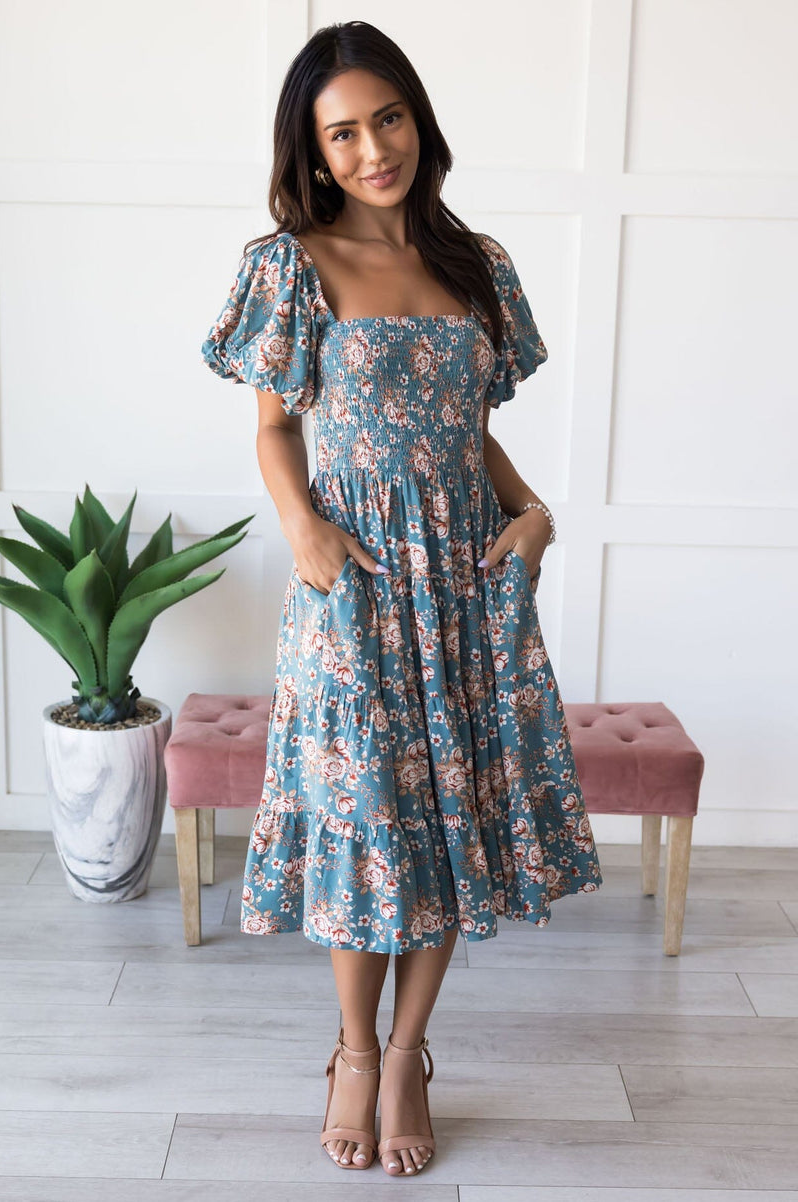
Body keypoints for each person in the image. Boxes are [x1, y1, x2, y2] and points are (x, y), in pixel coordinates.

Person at [201, 19, 603, 1178]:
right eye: (342, 132)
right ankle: (352, 1048)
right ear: (312, 149)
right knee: (369, 823)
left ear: (417, 121)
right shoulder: (289, 264)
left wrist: (532, 513)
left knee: (447, 818)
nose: (372, 148)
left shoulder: (478, 263)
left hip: (468, 585)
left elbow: (471, 434)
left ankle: (409, 1052)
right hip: (358, 582)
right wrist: (304, 530)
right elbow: (275, 428)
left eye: (387, 119)